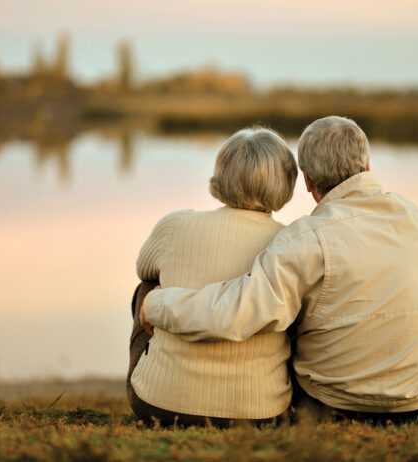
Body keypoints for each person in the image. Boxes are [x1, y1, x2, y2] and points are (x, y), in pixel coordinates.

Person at [141, 116, 418, 421]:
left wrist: (155, 302)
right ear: (368, 166)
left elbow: (238, 311)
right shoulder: (414, 218)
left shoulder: (305, 239)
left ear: (306, 180)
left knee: (293, 302)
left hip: (333, 403)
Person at [128, 127, 298, 425]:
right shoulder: (291, 243)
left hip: (160, 405)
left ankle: (161, 375)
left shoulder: (175, 225)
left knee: (147, 288)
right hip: (261, 411)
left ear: (222, 174)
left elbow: (144, 268)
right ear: (287, 181)